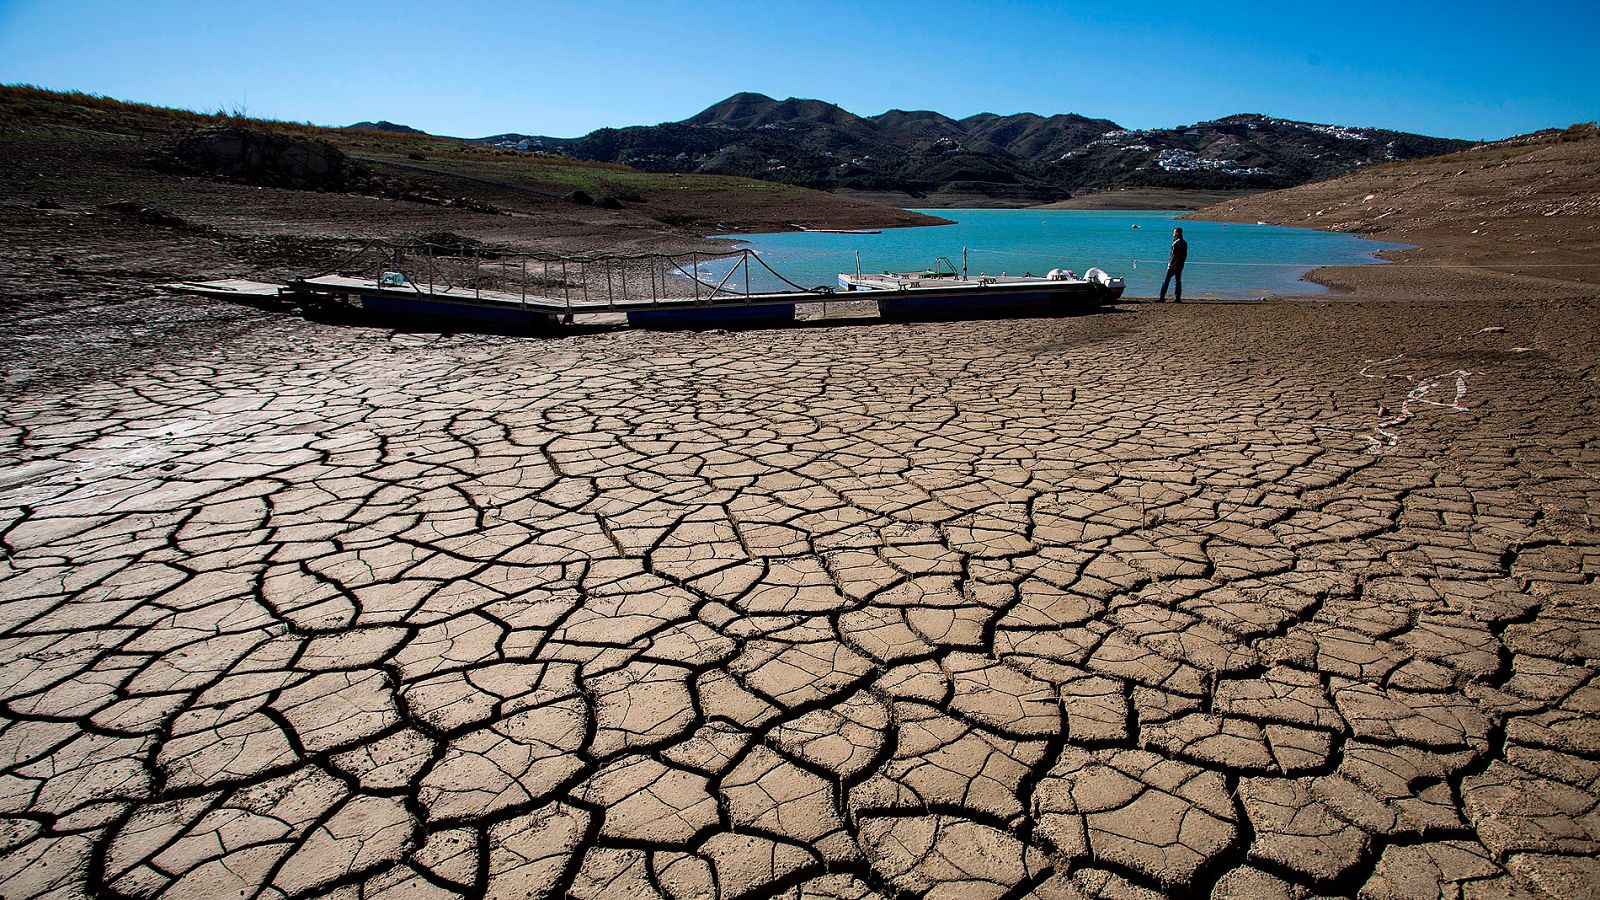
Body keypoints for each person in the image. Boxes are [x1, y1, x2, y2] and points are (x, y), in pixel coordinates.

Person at [1159, 227, 1187, 302]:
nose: (1173, 234)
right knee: (1177, 281)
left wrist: (1170, 264)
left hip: (1173, 265)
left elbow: (1174, 255)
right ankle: (1177, 298)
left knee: (1166, 281)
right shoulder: (1184, 242)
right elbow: (1184, 255)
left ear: (1177, 233)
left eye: (1174, 232)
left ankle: (1162, 297)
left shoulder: (1177, 243)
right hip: (1180, 265)